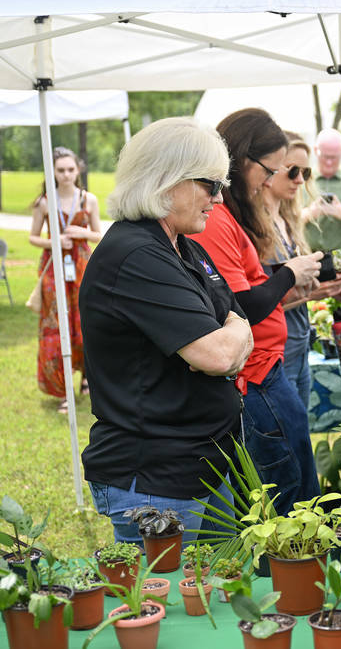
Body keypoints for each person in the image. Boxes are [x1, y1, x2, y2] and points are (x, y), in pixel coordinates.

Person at [79, 118, 253, 543]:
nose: (218, 198)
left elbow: (240, 319)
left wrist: (231, 336)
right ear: (166, 181)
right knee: (167, 605)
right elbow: (218, 354)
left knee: (211, 602)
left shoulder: (182, 247)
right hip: (157, 479)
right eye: (211, 185)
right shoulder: (136, 255)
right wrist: (228, 341)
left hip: (202, 466)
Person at [192, 108, 341, 515]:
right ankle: (295, 573)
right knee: (292, 499)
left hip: (266, 367)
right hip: (256, 376)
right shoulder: (217, 221)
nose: (271, 181)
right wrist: (290, 274)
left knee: (293, 487)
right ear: (241, 160)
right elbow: (241, 305)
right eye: (273, 170)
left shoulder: (226, 216)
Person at [28, 146, 101, 413]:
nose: (66, 175)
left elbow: (98, 234)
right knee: (56, 326)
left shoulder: (88, 200)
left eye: (71, 169)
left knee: (84, 322)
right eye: (61, 170)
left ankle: (86, 380)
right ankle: (62, 390)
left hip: (82, 266)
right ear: (53, 172)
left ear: (78, 170)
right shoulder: (45, 202)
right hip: (54, 268)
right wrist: (53, 240)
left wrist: (81, 232)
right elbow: (33, 236)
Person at [259, 131, 317, 406]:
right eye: (293, 170)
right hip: (277, 352)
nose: (299, 180)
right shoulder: (255, 226)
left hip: (300, 344)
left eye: (306, 173)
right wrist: (309, 294)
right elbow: (257, 301)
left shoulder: (288, 218)